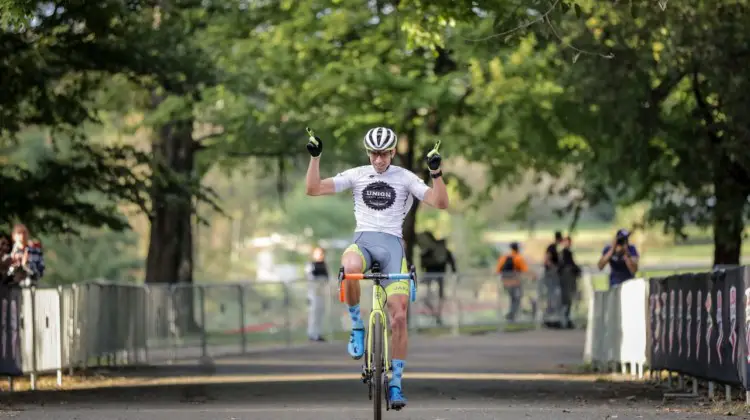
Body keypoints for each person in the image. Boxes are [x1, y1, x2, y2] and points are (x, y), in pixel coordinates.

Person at [304, 126, 449, 410]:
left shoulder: (405, 177)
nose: (379, 159)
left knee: (398, 317)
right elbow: (313, 188)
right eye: (373, 153)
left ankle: (395, 383)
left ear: (393, 152)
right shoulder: (357, 174)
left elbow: (440, 202)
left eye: (383, 154)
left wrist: (436, 173)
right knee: (350, 266)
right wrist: (315, 157)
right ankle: (357, 324)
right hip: (364, 242)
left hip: (393, 248)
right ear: (368, 152)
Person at [418, 234, 457, 326]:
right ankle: (436, 314)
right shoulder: (441, 252)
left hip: (433, 277)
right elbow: (452, 264)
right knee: (433, 297)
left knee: (433, 297)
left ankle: (436, 314)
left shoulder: (430, 251)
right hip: (435, 277)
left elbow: (422, 264)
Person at [495, 242, 534, 322]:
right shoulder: (518, 258)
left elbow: (498, 270)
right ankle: (512, 315)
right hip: (515, 282)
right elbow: (525, 270)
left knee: (513, 298)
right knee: (517, 298)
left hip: (505, 282)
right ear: (517, 248)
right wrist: (533, 276)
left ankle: (512, 314)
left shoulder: (504, 257)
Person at [305, 246, 329, 342]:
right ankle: (312, 334)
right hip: (313, 293)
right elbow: (310, 278)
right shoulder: (311, 265)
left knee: (320, 312)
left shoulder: (324, 265)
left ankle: (318, 333)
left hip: (322, 293)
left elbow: (327, 278)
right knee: (313, 313)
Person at [559, 236, 581, 328]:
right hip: (566, 280)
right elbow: (568, 265)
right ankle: (564, 320)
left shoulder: (567, 253)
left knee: (568, 301)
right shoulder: (564, 253)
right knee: (566, 300)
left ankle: (567, 320)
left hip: (568, 279)